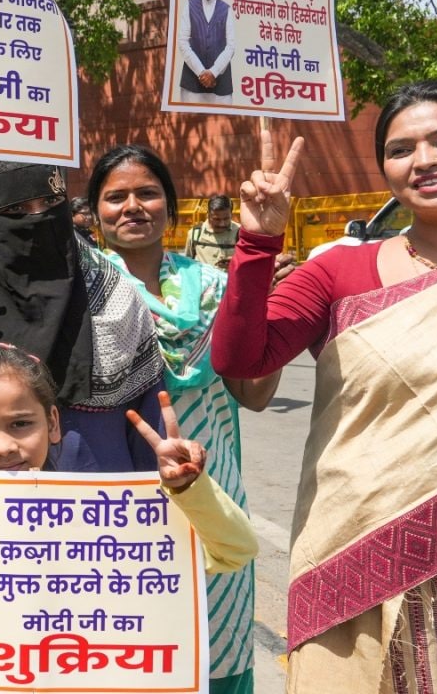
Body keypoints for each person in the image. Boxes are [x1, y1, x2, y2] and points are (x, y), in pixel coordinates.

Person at [212, 81, 437, 693]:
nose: (422, 160)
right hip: (353, 550)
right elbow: (240, 357)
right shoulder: (341, 270)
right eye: (401, 149)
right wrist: (259, 239)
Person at [88, 145, 282, 694]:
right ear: (95, 212)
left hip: (211, 490)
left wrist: (265, 324)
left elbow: (252, 395)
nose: (132, 206)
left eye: (147, 193)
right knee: (125, 639)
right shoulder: (81, 293)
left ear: (171, 210)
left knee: (213, 638)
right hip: (113, 497)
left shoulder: (219, 289)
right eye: (115, 196)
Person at [0, 345, 258, 572]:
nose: (3, 447)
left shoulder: (105, 518)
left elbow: (235, 551)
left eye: (20, 424)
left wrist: (189, 490)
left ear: (52, 423)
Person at [0, 159, 167, 472]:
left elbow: (151, 432)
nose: (37, 220)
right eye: (15, 211)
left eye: (49, 203)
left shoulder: (116, 298)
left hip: (107, 504)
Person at [177, 0, 235, 105]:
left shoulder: (226, 9)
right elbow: (183, 42)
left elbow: (231, 46)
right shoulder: (189, 5)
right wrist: (202, 72)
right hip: (192, 84)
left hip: (221, 85)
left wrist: (213, 72)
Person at [184, 194, 240, 269]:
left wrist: (235, 263)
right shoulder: (195, 234)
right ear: (208, 215)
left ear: (231, 214)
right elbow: (187, 264)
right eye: (217, 219)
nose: (222, 224)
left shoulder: (240, 233)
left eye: (226, 219)